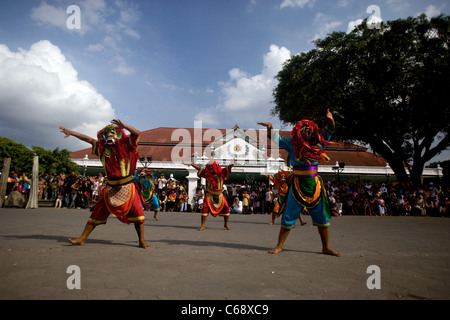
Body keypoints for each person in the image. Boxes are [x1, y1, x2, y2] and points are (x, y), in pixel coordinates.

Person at [258, 109, 340, 256]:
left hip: (315, 185)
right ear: (299, 132)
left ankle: (325, 247)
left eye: (310, 129)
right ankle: (279, 246)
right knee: (288, 215)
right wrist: (270, 128)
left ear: (314, 131)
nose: (308, 132)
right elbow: (277, 139)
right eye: (305, 129)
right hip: (297, 184)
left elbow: (331, 129)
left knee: (322, 216)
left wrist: (330, 119)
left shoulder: (320, 142)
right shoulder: (292, 144)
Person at [59, 119, 150, 249]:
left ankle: (141, 240)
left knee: (137, 213)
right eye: (107, 135)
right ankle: (82, 238)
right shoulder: (102, 148)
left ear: (117, 135)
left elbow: (136, 133)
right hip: (110, 188)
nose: (109, 137)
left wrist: (124, 126)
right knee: (96, 212)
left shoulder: (126, 145)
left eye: (112, 134)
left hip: (128, 187)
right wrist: (71, 133)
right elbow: (88, 139)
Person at [186, 161, 233, 231]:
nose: (212, 170)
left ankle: (225, 224)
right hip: (210, 194)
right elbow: (199, 168)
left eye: (213, 168)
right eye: (210, 168)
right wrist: (192, 164)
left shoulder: (222, 172)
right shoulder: (207, 173)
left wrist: (232, 164)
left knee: (226, 207)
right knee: (205, 208)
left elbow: (228, 168)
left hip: (220, 195)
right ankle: (202, 226)